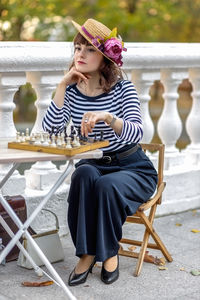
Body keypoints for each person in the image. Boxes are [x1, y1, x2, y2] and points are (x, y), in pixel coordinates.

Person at [42, 18, 157, 286]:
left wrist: (108, 117)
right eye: (77, 48)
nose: (80, 55)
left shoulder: (123, 89)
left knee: (106, 184)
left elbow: (136, 133)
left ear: (105, 58)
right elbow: (51, 132)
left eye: (89, 49)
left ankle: (108, 252)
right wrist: (61, 87)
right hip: (94, 163)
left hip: (132, 167)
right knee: (83, 176)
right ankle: (87, 253)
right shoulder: (71, 91)